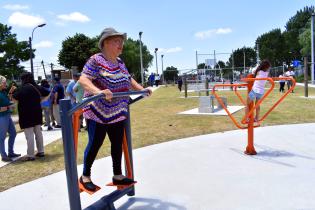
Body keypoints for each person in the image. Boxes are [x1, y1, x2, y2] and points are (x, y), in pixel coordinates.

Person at [78, 27, 152, 191]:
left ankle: (117, 175)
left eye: (121, 42)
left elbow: (129, 78)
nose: (121, 45)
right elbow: (83, 80)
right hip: (98, 110)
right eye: (117, 42)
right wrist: (99, 92)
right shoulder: (96, 60)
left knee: (117, 143)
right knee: (95, 143)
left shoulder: (120, 62)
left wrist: (141, 89)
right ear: (105, 43)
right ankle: (84, 177)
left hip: (118, 110)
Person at [12, 73, 50, 161]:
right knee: (38, 133)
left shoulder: (21, 89)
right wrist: (41, 100)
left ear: (23, 79)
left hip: (26, 114)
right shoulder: (36, 87)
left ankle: (30, 155)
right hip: (37, 113)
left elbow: (13, 99)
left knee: (29, 135)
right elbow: (48, 93)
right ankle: (41, 151)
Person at [0, 75, 20, 162]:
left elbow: (7, 100)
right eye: (4, 82)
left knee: (13, 133)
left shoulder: (3, 92)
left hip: (7, 115)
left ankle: (10, 152)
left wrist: (11, 92)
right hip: (2, 117)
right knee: (2, 137)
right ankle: (3, 156)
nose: (6, 84)